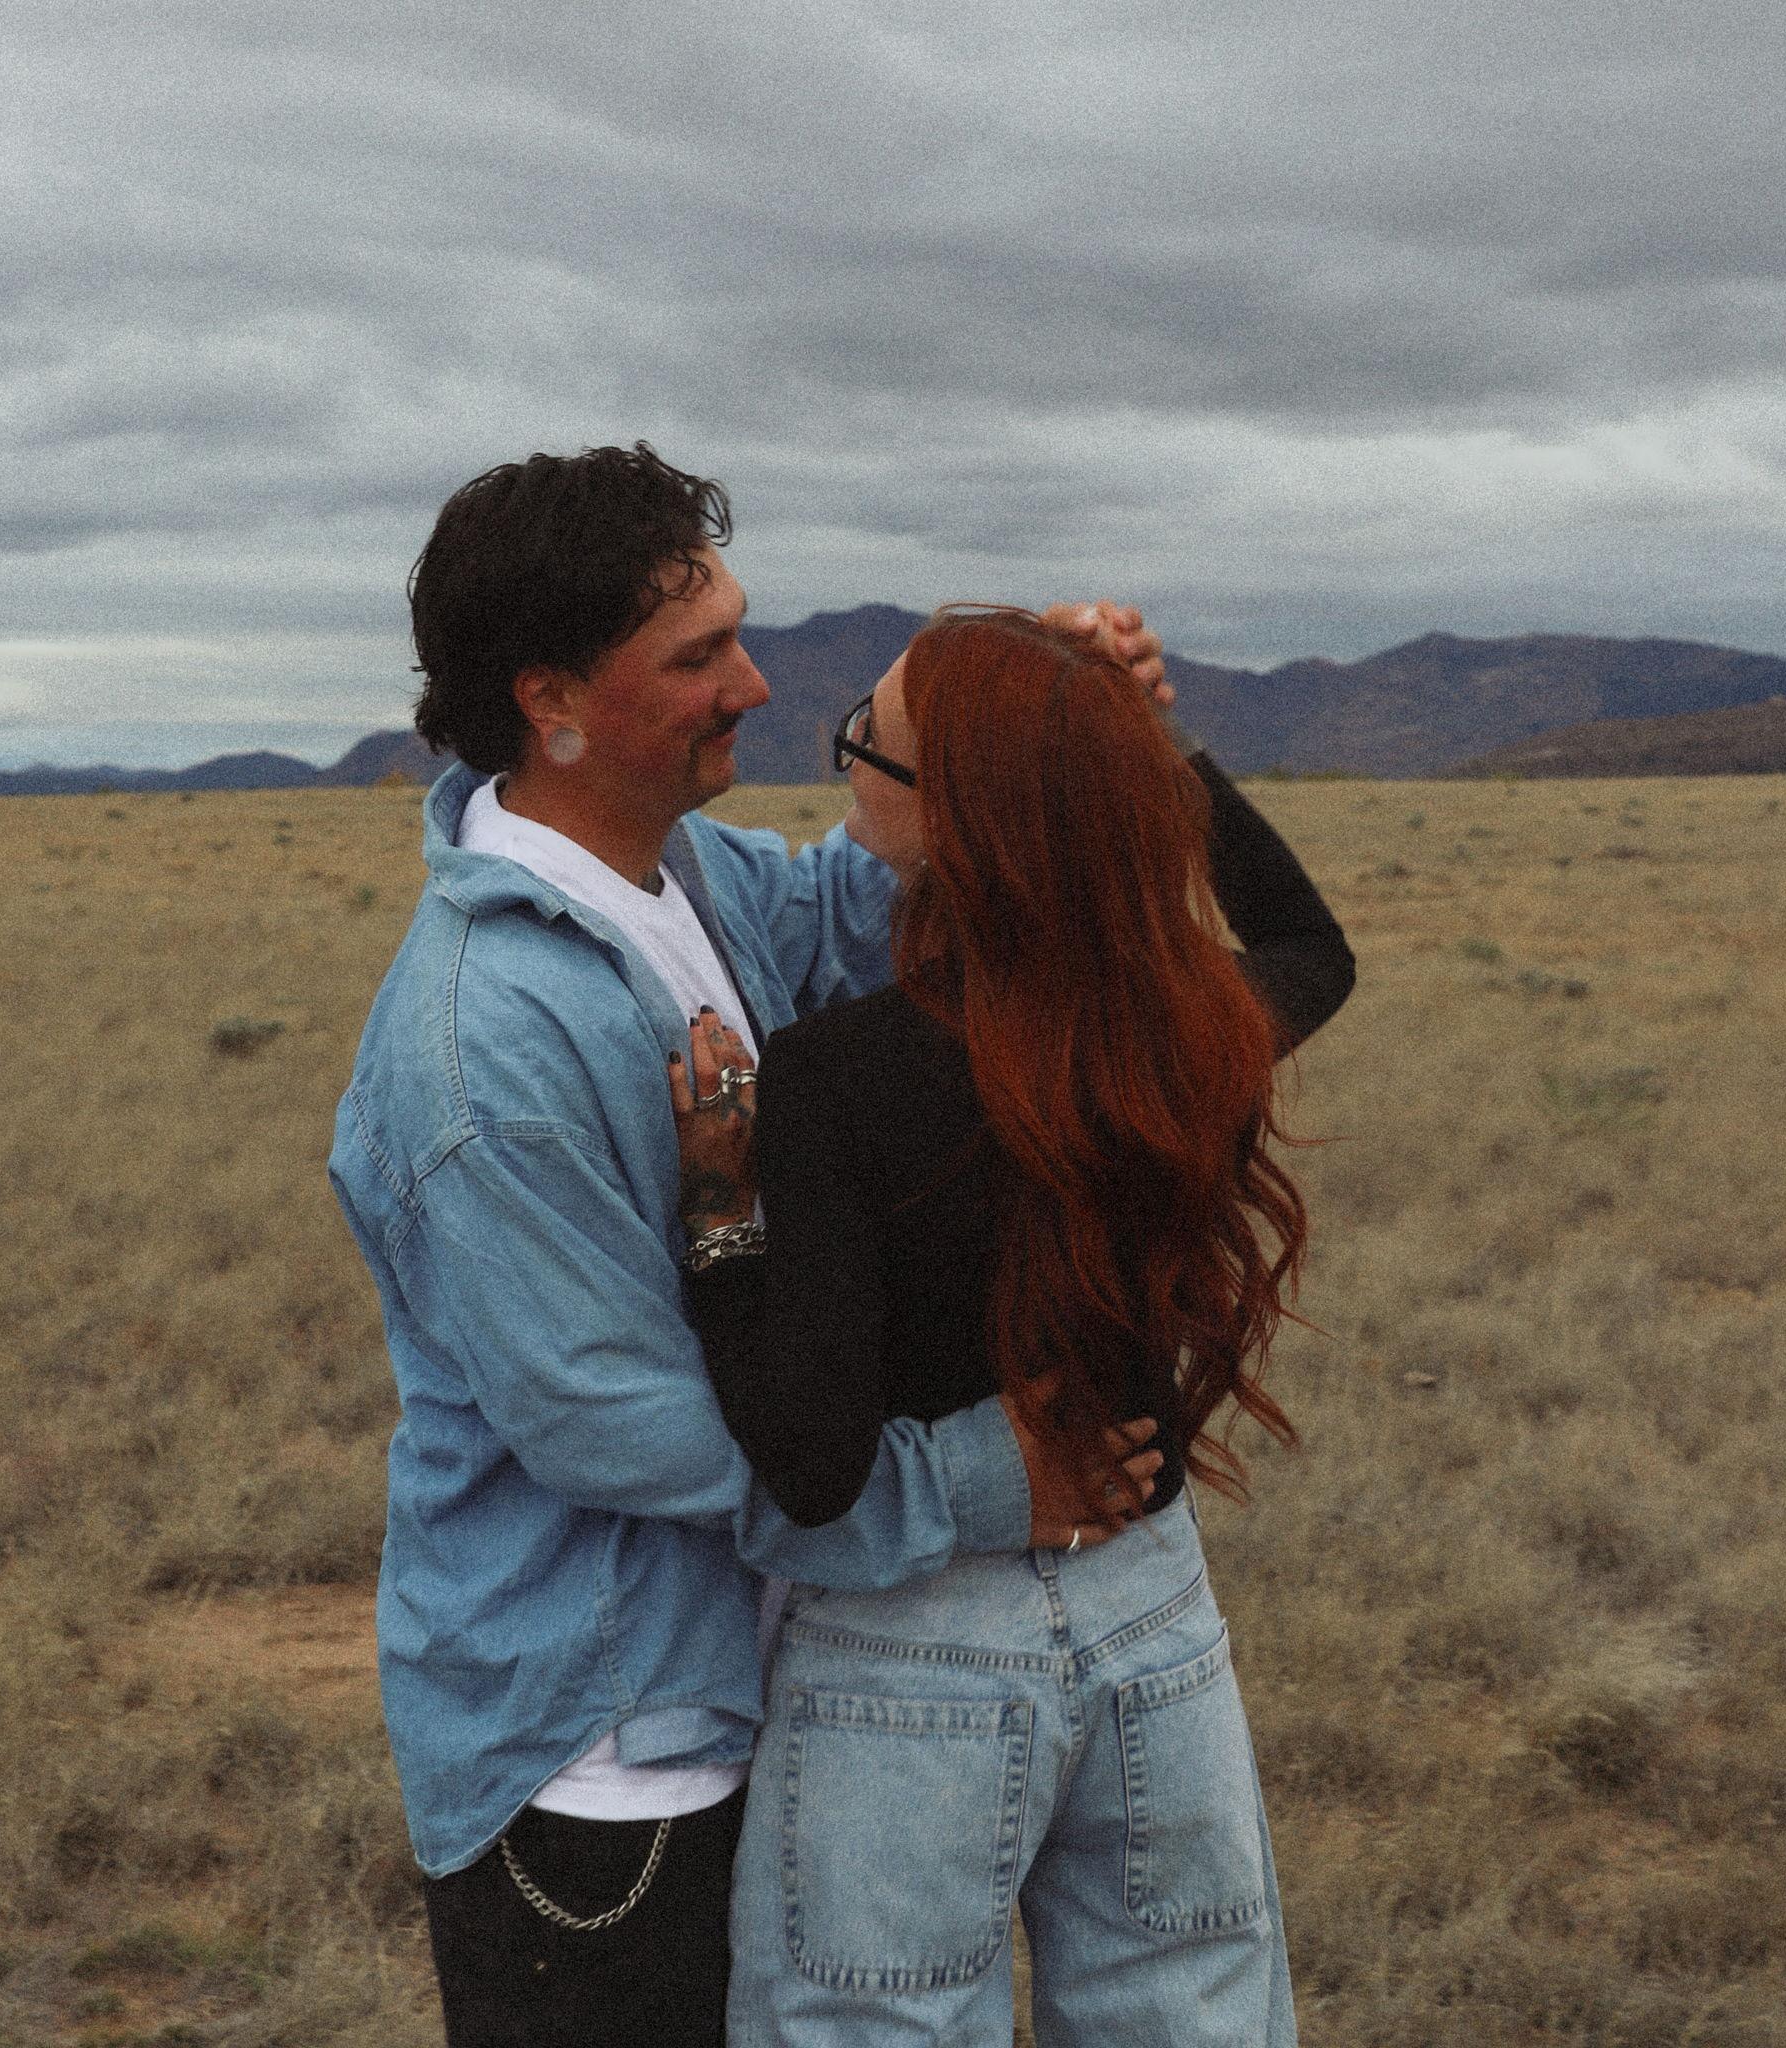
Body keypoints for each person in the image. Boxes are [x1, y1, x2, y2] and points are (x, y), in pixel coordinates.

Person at [327, 446, 1167, 2048]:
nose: (756, 685)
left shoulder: (682, 872)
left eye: (738, 634)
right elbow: (617, 1428)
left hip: (743, 1680)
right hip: (605, 1764)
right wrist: (977, 1482)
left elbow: (859, 908)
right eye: (699, 656)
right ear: (552, 702)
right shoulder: (483, 1047)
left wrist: (1023, 712)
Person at [666, 605, 1356, 2046]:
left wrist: (721, 1206)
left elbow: (812, 1461)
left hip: (909, 1655)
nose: (841, 768)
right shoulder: (1177, 1032)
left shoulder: (831, 1082)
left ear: (959, 824)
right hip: (1153, 1606)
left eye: (866, 746)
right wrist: (1147, 743)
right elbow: (1310, 944)